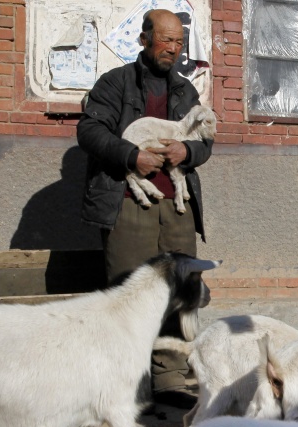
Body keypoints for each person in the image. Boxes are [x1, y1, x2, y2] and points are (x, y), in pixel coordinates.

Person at [77, 9, 213, 396]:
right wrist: (129, 155)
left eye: (179, 43)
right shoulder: (114, 84)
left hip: (177, 208)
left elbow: (205, 143)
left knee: (179, 289)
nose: (173, 48)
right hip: (128, 203)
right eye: (166, 40)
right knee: (129, 294)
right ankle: (131, 384)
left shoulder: (186, 90)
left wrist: (186, 150)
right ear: (144, 40)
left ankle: (169, 376)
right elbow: (88, 130)